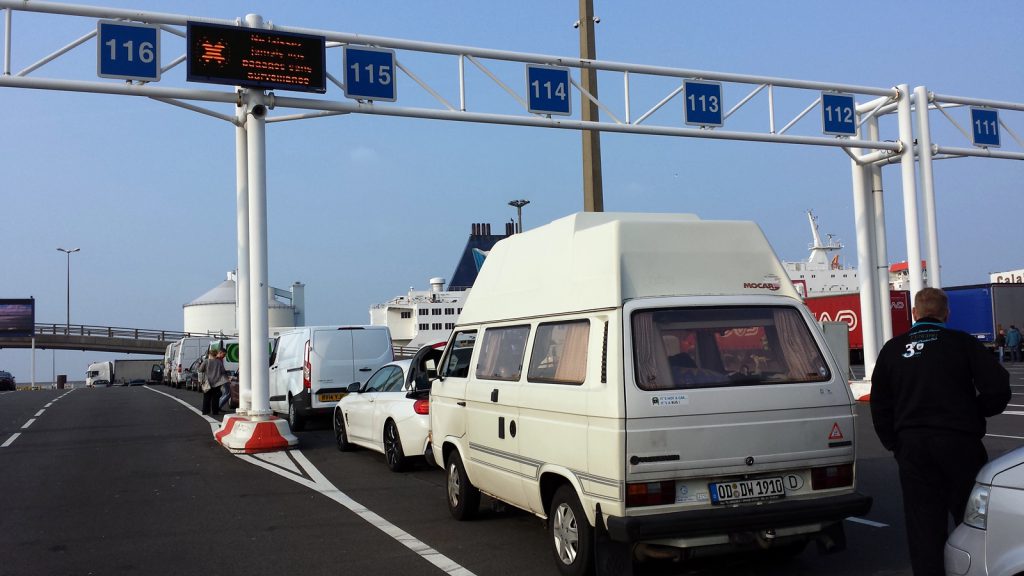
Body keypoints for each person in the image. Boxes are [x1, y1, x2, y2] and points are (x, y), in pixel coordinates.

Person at [870, 288, 1010, 576]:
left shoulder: (893, 349)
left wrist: (895, 444)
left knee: (924, 527)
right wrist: (974, 412)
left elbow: (880, 405)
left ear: (914, 314)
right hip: (959, 442)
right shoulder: (961, 343)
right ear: (946, 313)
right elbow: (998, 388)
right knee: (970, 520)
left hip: (913, 447)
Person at [202, 349, 229, 416]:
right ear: (216, 354)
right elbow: (223, 371)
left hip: (207, 382)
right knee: (215, 398)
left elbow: (200, 369)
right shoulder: (219, 362)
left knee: (206, 397)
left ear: (210, 355)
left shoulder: (206, 361)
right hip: (217, 382)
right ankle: (215, 411)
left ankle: (205, 411)